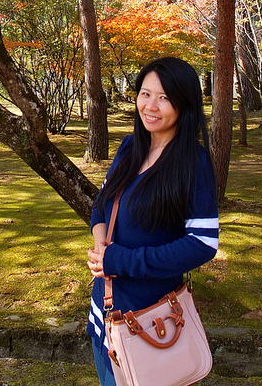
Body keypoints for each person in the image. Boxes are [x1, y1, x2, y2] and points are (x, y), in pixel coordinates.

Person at [86, 56, 219, 386]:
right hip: (105, 311)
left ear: (184, 102)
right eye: (145, 94)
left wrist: (123, 260)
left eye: (164, 97)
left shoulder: (193, 161)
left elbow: (202, 244)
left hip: (150, 322)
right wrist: (102, 248)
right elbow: (102, 205)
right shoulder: (131, 146)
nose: (151, 106)